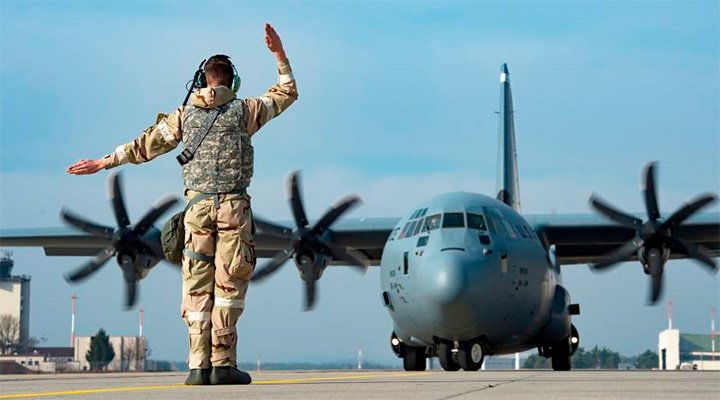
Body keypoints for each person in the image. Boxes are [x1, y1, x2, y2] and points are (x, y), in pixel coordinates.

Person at [67, 23, 298, 385]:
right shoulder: (245, 111)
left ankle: (196, 366)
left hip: (197, 211)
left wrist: (102, 162)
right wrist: (279, 54)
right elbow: (286, 92)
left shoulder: (183, 116)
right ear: (232, 83)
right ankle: (223, 364)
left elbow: (143, 146)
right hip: (234, 210)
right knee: (229, 286)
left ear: (202, 80)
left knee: (196, 285)